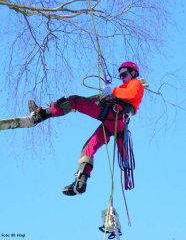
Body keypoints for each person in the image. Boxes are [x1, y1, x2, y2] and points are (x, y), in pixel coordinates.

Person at [28, 61, 144, 196]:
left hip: (114, 113)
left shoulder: (135, 84)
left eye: (124, 74)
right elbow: (116, 96)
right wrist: (110, 93)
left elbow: (131, 94)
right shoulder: (123, 88)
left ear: (133, 73)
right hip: (114, 123)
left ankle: (41, 115)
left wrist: (113, 91)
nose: (122, 77)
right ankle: (81, 182)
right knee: (88, 148)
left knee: (74, 101)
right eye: (121, 75)